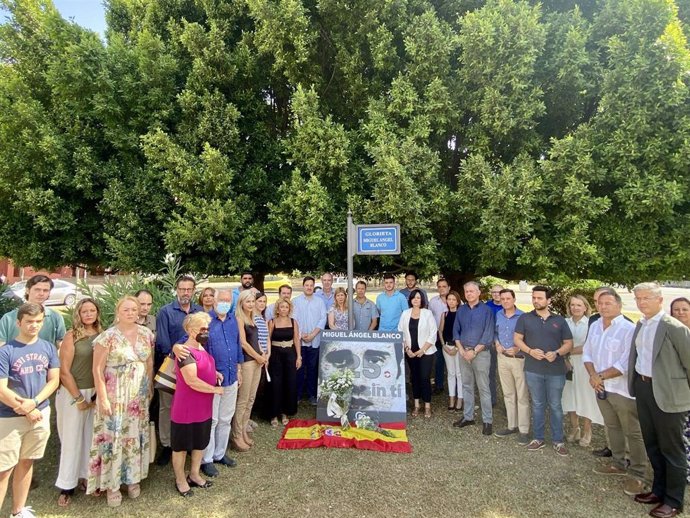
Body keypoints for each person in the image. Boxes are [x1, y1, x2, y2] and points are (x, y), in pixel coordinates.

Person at [628, 282, 690, 518]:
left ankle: (674, 502)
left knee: (672, 449)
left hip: (669, 394)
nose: (642, 303)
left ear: (659, 300)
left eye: (646, 298)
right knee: (653, 444)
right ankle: (659, 491)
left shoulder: (674, 327)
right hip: (644, 389)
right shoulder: (641, 324)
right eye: (638, 299)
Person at [87, 296, 154, 507]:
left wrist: (149, 386)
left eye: (134, 309)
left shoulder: (146, 333)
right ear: (118, 311)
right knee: (115, 438)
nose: (131, 312)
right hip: (115, 396)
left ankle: (133, 479)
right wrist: (103, 398)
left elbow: (149, 361)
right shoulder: (107, 337)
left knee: (135, 436)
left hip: (138, 396)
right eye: (127, 309)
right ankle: (112, 484)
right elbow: (97, 369)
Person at [582, 289, 648, 497]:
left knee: (633, 432)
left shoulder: (629, 329)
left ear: (619, 306)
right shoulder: (595, 326)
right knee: (612, 426)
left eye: (608, 303)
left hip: (621, 390)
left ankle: (639, 474)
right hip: (600, 387)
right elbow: (587, 353)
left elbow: (625, 363)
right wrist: (593, 376)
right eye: (600, 303)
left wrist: (598, 377)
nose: (603, 306)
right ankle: (619, 463)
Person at [173, 289, 243, 478]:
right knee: (211, 421)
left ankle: (220, 453)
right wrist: (176, 347)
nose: (225, 303)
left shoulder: (232, 320)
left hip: (229, 377)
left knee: (225, 419)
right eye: (222, 300)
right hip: (209, 380)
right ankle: (207, 459)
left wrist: (239, 369)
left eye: (228, 300)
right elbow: (183, 343)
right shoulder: (204, 321)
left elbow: (237, 345)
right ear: (214, 301)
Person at [0, 303, 60, 518]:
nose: (33, 325)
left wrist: (34, 403)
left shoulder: (48, 348)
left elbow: (53, 380)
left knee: (27, 462)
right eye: (29, 322)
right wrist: (25, 409)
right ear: (19, 323)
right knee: (4, 469)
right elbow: (1, 389)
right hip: (9, 418)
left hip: (40, 414)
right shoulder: (7, 351)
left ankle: (18, 510)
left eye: (38, 322)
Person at [514, 285, 573, 456]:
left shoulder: (559, 320)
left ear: (549, 300)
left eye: (539, 298)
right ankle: (538, 438)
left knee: (555, 405)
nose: (535, 301)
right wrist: (530, 351)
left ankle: (558, 440)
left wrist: (557, 353)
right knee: (538, 404)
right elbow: (517, 339)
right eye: (534, 297)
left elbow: (568, 343)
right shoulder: (525, 318)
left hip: (556, 370)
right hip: (533, 369)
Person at [55, 299, 102, 507]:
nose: (89, 314)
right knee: (72, 439)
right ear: (79, 314)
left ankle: (86, 478)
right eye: (85, 311)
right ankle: (67, 486)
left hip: (95, 392)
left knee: (91, 438)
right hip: (73, 393)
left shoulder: (103, 335)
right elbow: (64, 371)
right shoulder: (71, 336)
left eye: (92, 310)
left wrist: (98, 394)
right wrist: (79, 398)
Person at [171, 312, 223, 498]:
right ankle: (180, 479)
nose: (206, 332)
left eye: (207, 329)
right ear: (190, 330)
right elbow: (191, 381)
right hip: (186, 408)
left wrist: (214, 372)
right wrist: (215, 389)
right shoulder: (185, 351)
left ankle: (194, 474)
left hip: (203, 407)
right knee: (182, 446)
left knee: (200, 443)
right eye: (202, 329)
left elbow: (202, 368)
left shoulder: (202, 348)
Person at [155, 275, 202, 466]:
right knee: (167, 407)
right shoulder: (166, 312)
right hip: (172, 366)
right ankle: (167, 444)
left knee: (189, 406)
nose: (185, 293)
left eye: (189, 289)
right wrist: (180, 358)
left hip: (194, 368)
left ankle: (187, 443)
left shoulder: (198, 311)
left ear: (193, 291)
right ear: (176, 290)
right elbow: (163, 342)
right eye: (182, 289)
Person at [452, 281, 495, 435]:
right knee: (466, 386)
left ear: (478, 293)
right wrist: (462, 350)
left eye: (472, 291)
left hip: (480, 354)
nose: (469, 294)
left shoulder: (486, 311)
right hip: (463, 353)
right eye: (467, 291)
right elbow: (456, 331)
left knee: (483, 387)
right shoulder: (461, 310)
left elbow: (488, 334)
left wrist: (474, 352)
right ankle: (468, 416)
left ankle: (487, 420)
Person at [562, 295, 604, 447]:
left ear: (585, 307)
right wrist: (565, 358)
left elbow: (589, 345)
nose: (575, 308)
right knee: (570, 397)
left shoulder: (591, 324)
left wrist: (567, 351)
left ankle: (587, 430)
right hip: (567, 364)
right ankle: (575, 428)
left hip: (584, 364)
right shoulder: (565, 322)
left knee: (586, 398)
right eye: (572, 305)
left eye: (579, 305)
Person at [231, 291, 268, 451]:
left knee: (251, 399)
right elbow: (244, 343)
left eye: (253, 301)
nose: (251, 304)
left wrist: (263, 355)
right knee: (243, 400)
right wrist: (257, 357)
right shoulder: (239, 319)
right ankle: (236, 435)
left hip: (257, 361)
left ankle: (244, 431)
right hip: (247, 362)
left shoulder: (254, 318)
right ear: (241, 303)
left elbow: (257, 341)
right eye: (248, 302)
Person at [493, 289, 529, 445]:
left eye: (508, 298)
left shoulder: (523, 317)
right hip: (502, 358)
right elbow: (495, 332)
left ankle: (524, 429)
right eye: (502, 299)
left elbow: (529, 337)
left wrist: (518, 348)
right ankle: (511, 425)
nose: (505, 301)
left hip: (518, 359)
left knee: (522, 395)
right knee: (508, 393)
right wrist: (497, 343)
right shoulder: (498, 315)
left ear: (514, 299)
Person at [398, 290, 437, 418]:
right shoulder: (405, 313)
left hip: (426, 352)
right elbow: (400, 332)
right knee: (414, 378)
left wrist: (423, 350)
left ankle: (427, 405)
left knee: (424, 378)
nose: (416, 300)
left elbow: (433, 333)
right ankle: (416, 405)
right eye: (413, 298)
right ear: (410, 300)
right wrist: (407, 349)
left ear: (422, 300)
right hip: (411, 352)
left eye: (418, 298)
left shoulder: (428, 313)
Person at [0, 274, 66, 348]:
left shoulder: (55, 317)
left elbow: (60, 345)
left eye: (45, 290)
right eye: (37, 289)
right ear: (27, 290)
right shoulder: (8, 318)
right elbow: (1, 345)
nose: (41, 293)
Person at [293, 277, 327, 405]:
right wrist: (301, 334)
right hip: (299, 341)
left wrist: (313, 334)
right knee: (299, 368)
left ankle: (312, 395)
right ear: (303, 286)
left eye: (311, 285)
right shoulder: (295, 301)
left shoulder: (319, 302)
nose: (309, 287)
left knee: (313, 368)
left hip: (315, 340)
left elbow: (323, 319)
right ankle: (298, 395)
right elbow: (294, 320)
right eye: (306, 285)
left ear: (314, 287)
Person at [268, 299, 301, 427]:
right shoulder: (272, 322)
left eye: (286, 307)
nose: (284, 309)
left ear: (289, 309)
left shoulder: (294, 322)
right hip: (275, 356)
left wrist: (299, 357)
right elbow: (268, 340)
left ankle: (285, 413)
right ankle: (273, 414)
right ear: (277, 308)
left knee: (289, 383)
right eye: (281, 307)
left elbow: (297, 340)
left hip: (290, 355)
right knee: (276, 384)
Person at [672, 297, 690, 483]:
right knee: (681, 434)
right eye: (676, 310)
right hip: (677, 392)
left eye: (684, 309)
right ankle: (682, 469)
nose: (680, 313)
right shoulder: (670, 332)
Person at [438, 290, 462, 412]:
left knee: (459, 374)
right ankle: (451, 398)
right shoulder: (445, 314)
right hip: (447, 347)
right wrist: (443, 345)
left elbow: (464, 332)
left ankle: (460, 399)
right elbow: (440, 331)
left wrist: (457, 348)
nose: (451, 301)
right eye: (449, 299)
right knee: (451, 374)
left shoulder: (461, 314)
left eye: (454, 299)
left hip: (459, 348)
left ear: (457, 301)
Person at [428, 278, 450, 394]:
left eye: (444, 286)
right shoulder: (433, 301)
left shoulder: (455, 300)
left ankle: (455, 387)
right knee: (438, 361)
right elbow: (429, 318)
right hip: (437, 335)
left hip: (451, 336)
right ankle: (439, 385)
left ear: (449, 287)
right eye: (439, 286)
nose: (442, 289)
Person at [486, 284, 504, 407]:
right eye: (494, 292)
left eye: (499, 292)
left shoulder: (507, 305)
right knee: (490, 373)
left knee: (504, 376)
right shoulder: (487, 306)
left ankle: (507, 402)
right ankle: (492, 399)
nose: (496, 294)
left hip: (504, 346)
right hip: (490, 344)